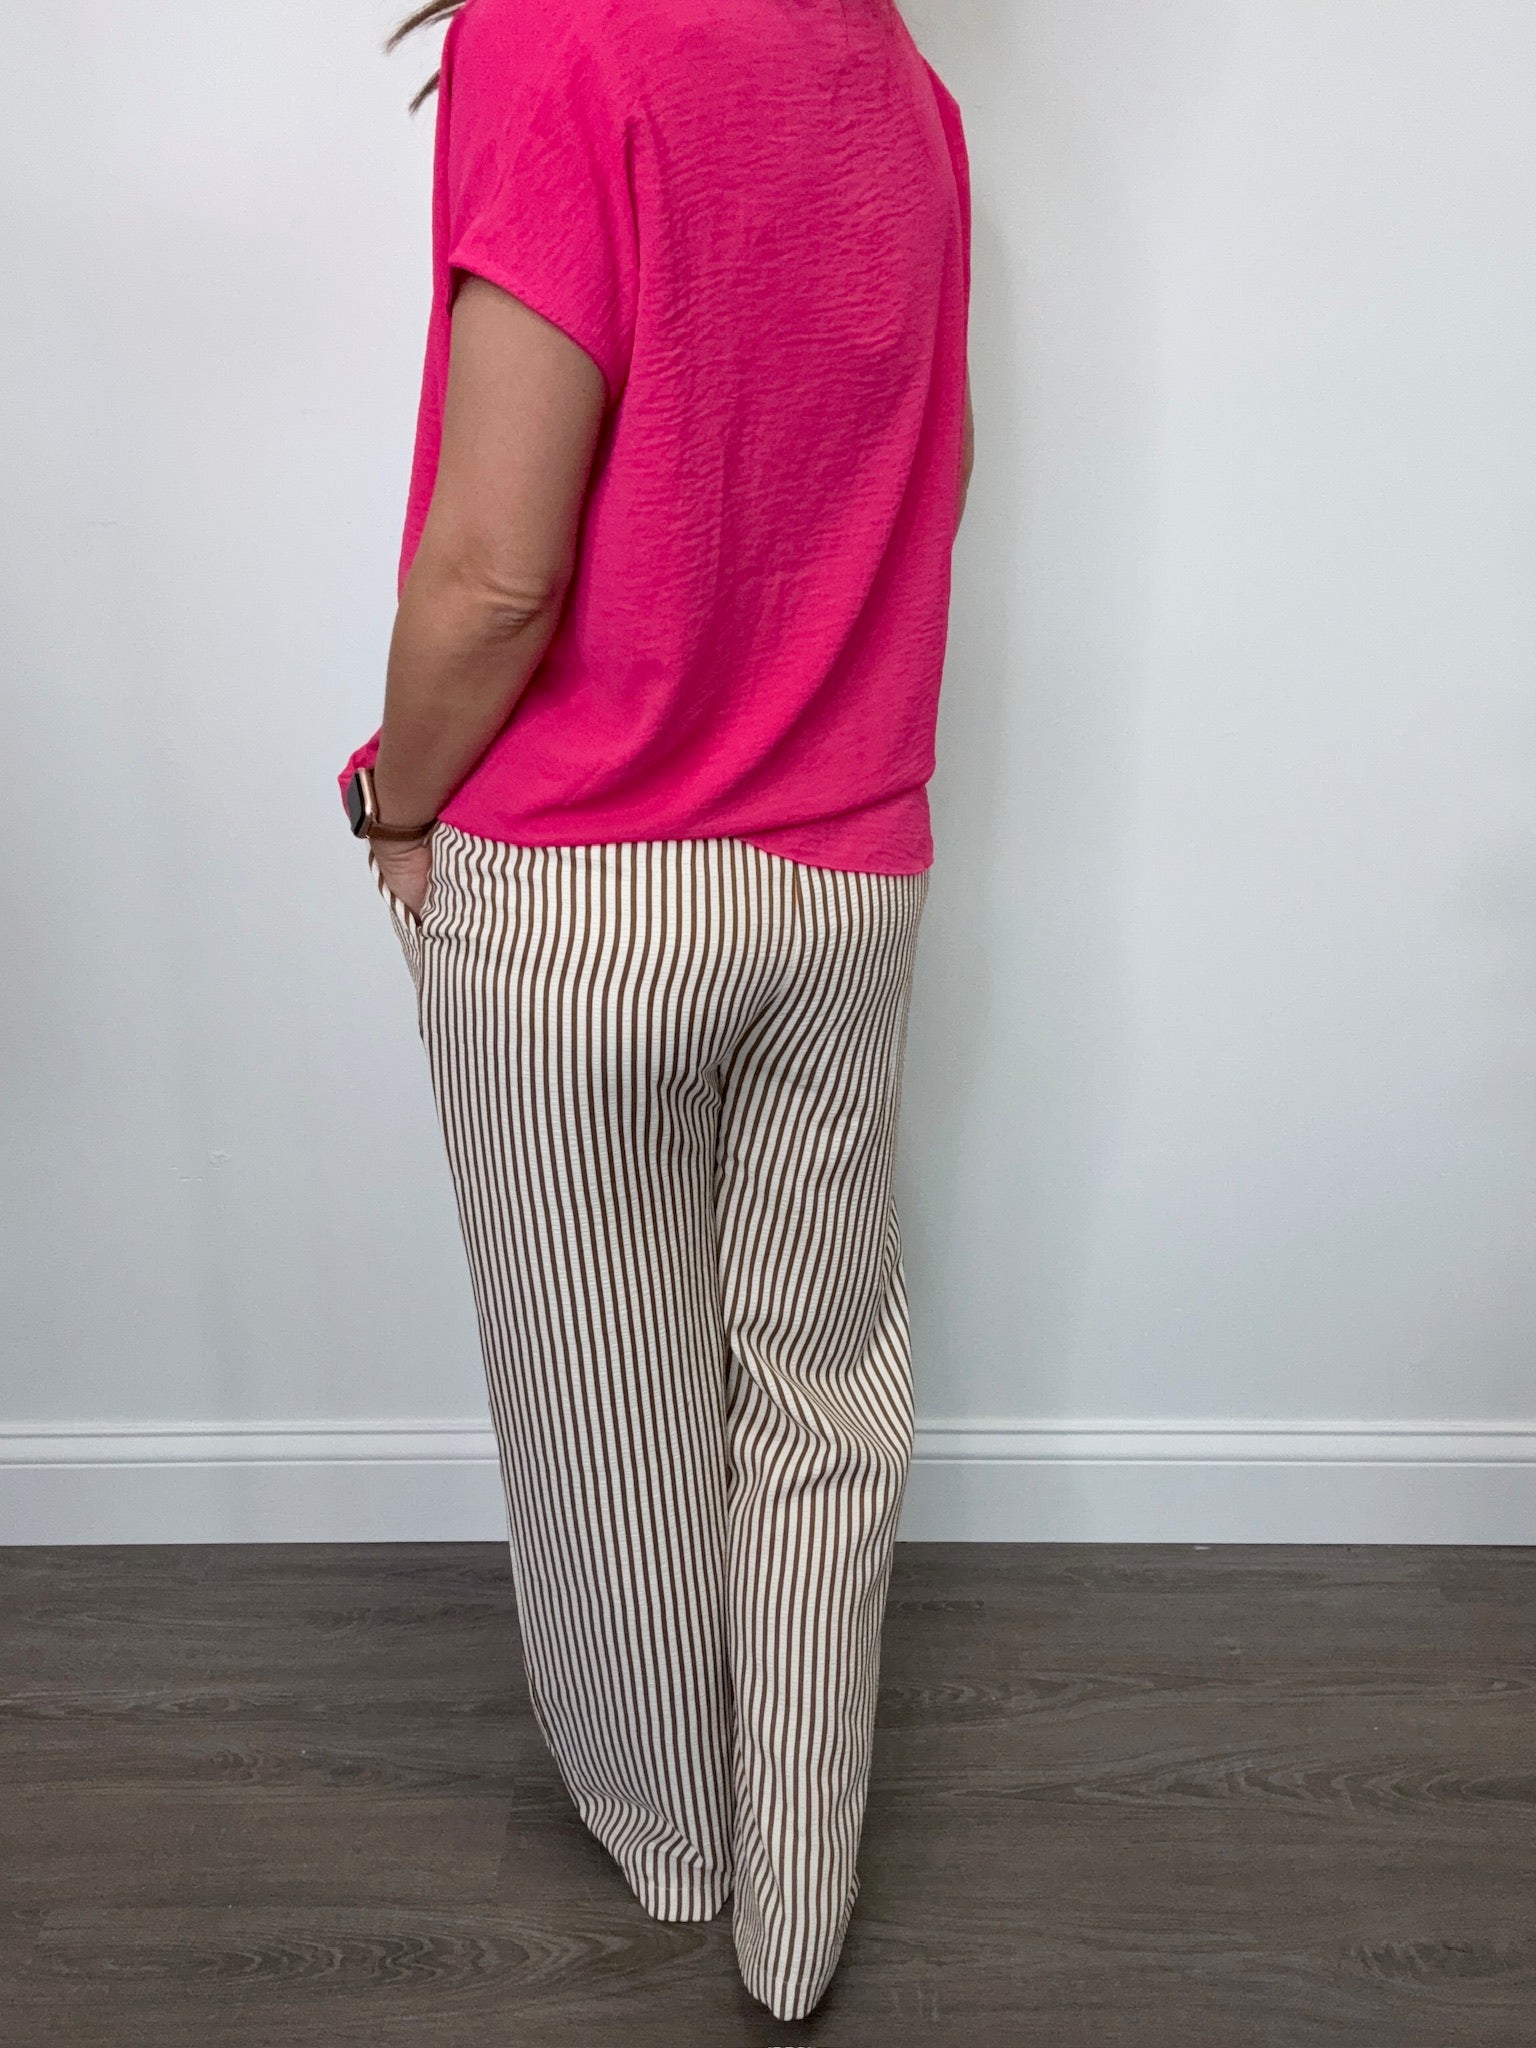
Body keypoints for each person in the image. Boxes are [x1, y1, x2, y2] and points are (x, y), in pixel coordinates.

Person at [337, 0, 972, 2021]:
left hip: (582, 889)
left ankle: (676, 1839)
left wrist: (395, 801)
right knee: (820, 1397)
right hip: (846, 871)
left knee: (605, 1413)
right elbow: (901, 485)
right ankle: (798, 1907)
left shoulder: (565, 42)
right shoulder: (902, 88)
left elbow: (494, 573)